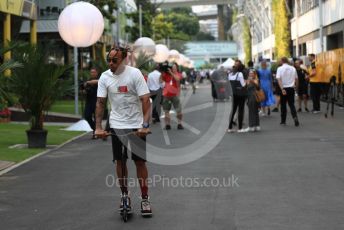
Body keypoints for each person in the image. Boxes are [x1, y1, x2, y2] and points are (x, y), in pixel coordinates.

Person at [95, 45, 152, 216]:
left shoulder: (134, 74)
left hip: (136, 126)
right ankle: (124, 196)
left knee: (139, 162)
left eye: (114, 60)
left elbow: (145, 100)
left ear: (124, 59)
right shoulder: (105, 77)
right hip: (117, 125)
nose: (111, 63)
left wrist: (145, 125)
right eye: (109, 60)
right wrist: (98, 127)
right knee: (120, 162)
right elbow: (100, 102)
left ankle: (144, 198)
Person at [276, 57, 300, 127]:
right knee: (291, 104)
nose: (279, 62)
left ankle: (283, 121)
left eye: (280, 60)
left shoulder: (279, 69)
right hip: (291, 88)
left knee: (283, 105)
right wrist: (296, 87)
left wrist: (282, 89)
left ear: (282, 61)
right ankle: (295, 117)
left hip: (284, 88)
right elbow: (296, 79)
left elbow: (279, 79)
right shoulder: (293, 68)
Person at [160, 62, 184, 130]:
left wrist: (171, 73)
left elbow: (177, 79)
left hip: (175, 95)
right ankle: (168, 125)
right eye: (172, 67)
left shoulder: (178, 74)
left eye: (174, 67)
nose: (173, 69)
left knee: (179, 111)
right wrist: (162, 73)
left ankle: (179, 123)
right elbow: (160, 81)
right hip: (166, 95)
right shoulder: (166, 74)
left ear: (176, 68)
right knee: (166, 111)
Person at [228, 64, 246, 133]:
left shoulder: (230, 75)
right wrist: (246, 82)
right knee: (240, 110)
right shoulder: (240, 74)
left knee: (233, 110)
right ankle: (240, 128)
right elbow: (243, 84)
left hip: (233, 94)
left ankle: (230, 127)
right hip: (240, 94)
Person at [83, 67, 99, 139]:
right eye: (91, 72)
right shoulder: (88, 81)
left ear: (97, 73)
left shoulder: (100, 80)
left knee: (96, 118)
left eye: (94, 72)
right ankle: (95, 129)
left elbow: (98, 82)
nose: (92, 73)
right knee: (87, 116)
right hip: (89, 102)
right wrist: (84, 91)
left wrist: (88, 83)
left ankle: (95, 133)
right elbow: (85, 90)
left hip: (97, 102)